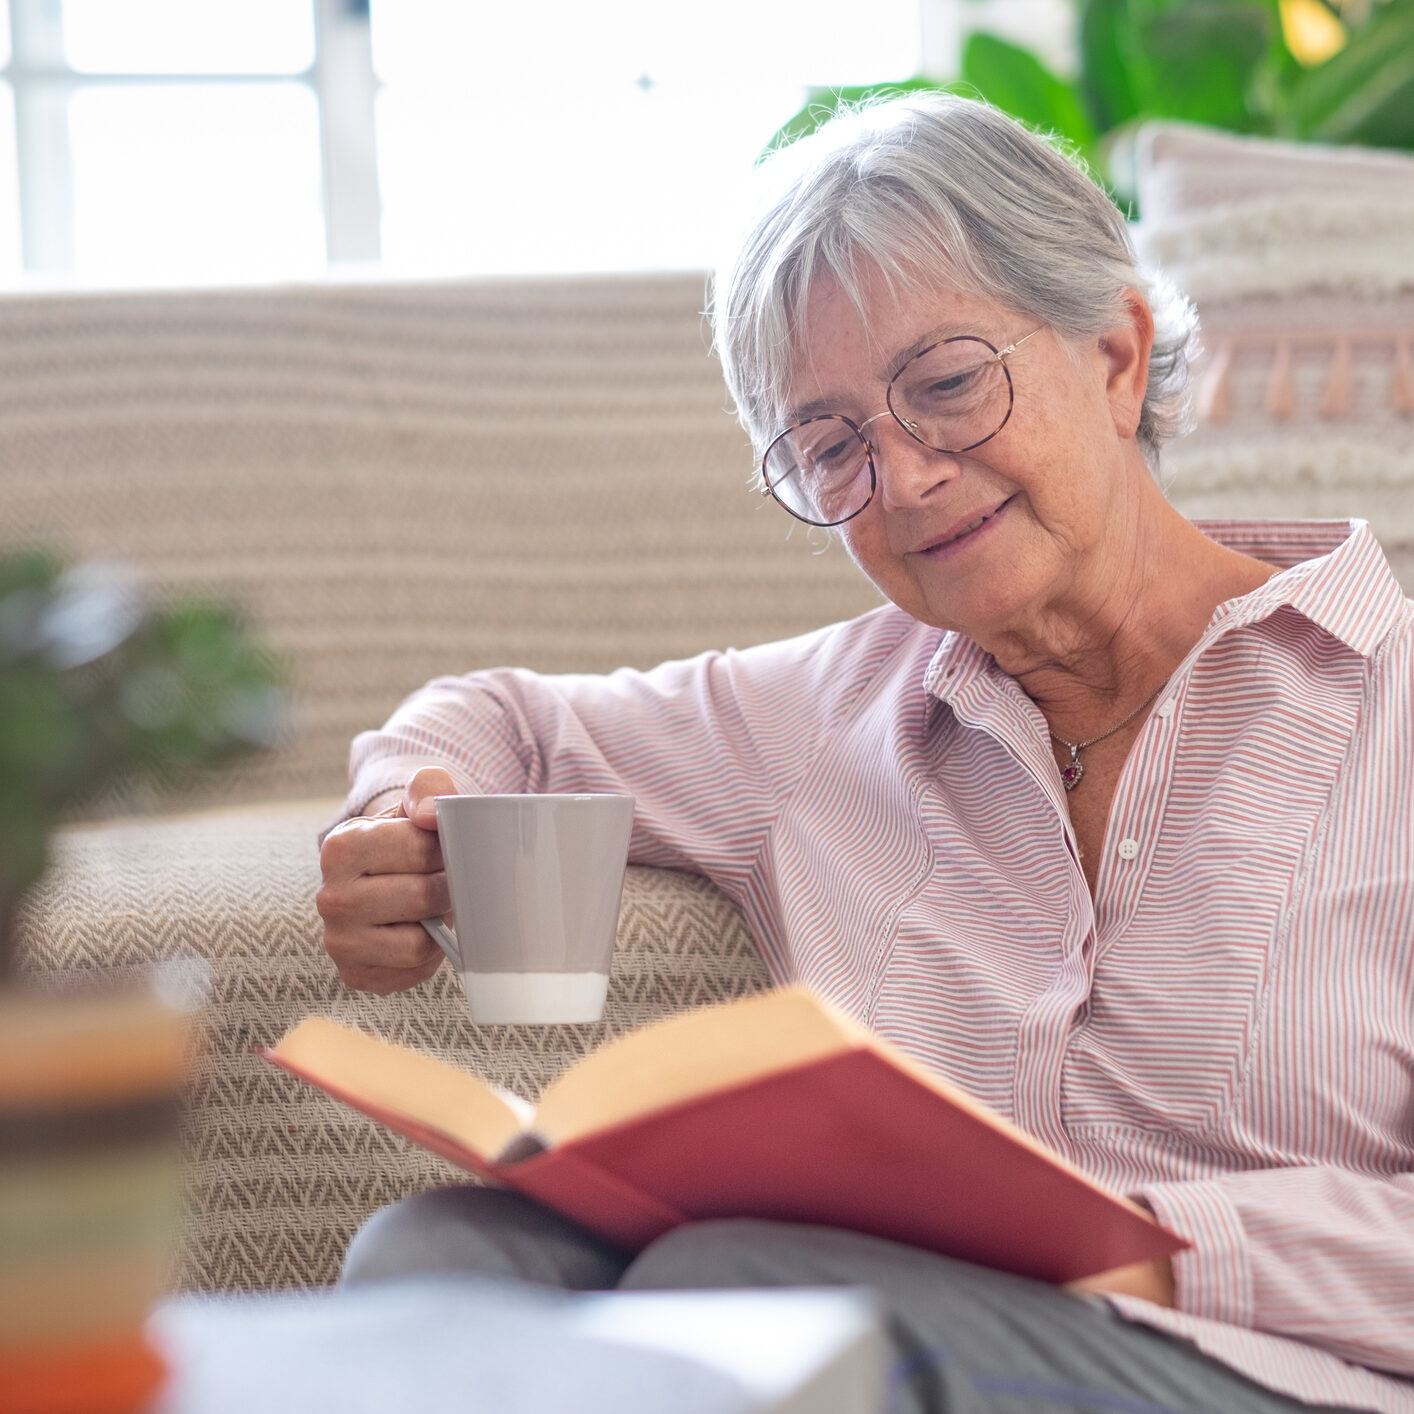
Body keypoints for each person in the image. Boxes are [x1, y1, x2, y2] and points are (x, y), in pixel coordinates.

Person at [316, 94, 1414, 1414]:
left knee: (741, 1287)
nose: (899, 477)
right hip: (877, 1302)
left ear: (1116, 355)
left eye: (945, 385)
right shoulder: (824, 714)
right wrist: (401, 811)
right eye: (828, 444)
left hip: (1271, 1375)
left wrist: (1142, 1249)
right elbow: (499, 715)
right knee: (440, 1261)